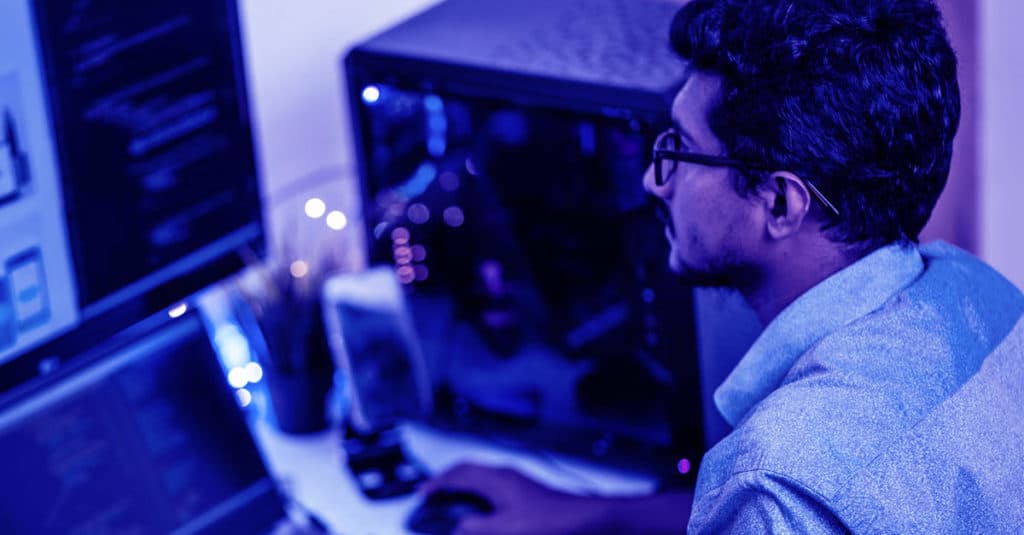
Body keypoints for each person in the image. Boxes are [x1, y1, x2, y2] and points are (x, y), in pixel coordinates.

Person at [423, 0, 1024, 532]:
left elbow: (775, 498)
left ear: (780, 203)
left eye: (680, 150)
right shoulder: (981, 294)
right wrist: (593, 513)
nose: (653, 181)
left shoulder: (778, 481)